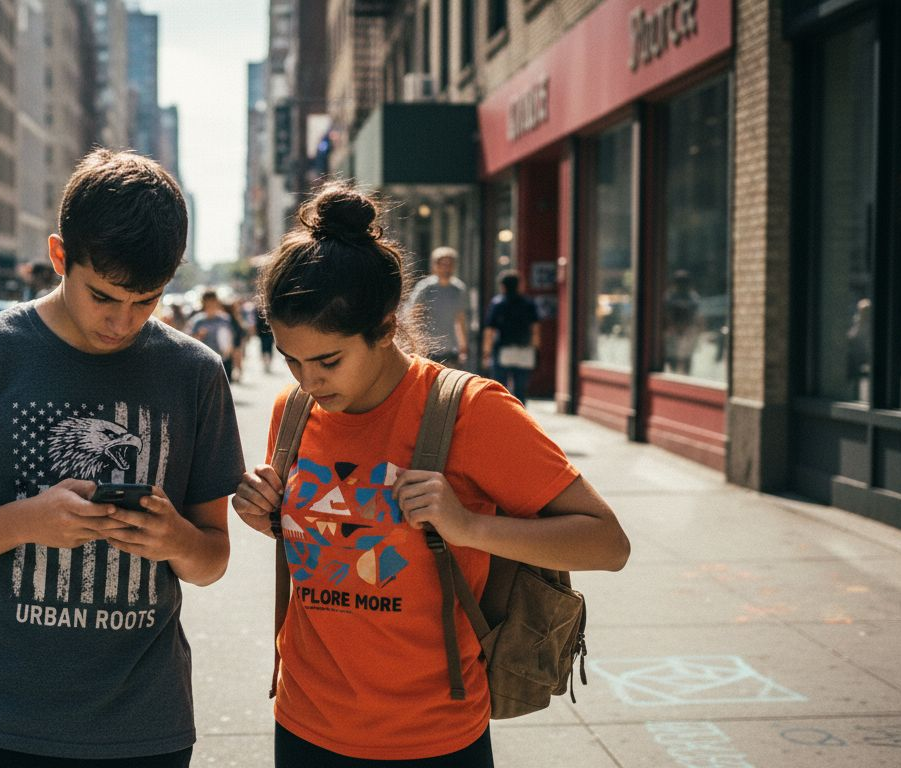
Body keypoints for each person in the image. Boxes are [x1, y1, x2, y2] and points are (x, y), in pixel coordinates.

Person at [229, 184, 629, 767]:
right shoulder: (291, 412)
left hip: (432, 738)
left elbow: (607, 543)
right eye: (291, 359)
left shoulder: (471, 411)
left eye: (328, 360)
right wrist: (269, 515)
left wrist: (467, 526)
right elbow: (333, 535)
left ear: (386, 328)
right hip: (304, 723)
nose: (308, 380)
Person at [0, 149, 244, 767]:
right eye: (105, 296)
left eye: (147, 300)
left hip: (145, 729)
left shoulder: (196, 373)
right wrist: (26, 521)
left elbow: (211, 560)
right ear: (60, 256)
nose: (123, 321)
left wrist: (174, 538)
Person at [482, 270, 542, 406]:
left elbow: (489, 330)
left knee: (500, 389)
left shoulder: (497, 304)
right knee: (521, 390)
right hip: (524, 349)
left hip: (502, 349)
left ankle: (501, 416)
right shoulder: (528, 304)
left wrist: (486, 352)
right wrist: (536, 348)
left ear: (502, 286)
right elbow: (536, 329)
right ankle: (520, 418)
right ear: (519, 285)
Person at [408, 246, 470, 368]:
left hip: (451, 348)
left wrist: (463, 345)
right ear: (435, 265)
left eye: (449, 264)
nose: (446, 268)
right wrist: (415, 344)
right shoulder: (425, 288)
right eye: (442, 264)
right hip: (428, 347)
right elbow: (415, 317)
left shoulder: (458, 289)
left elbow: (460, 319)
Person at [186, 289, 236, 380]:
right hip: (204, 363)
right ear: (203, 303)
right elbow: (189, 342)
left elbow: (230, 340)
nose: (211, 306)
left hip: (223, 361)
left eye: (213, 303)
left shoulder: (225, 320)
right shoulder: (197, 321)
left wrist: (233, 360)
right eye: (208, 303)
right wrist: (199, 336)